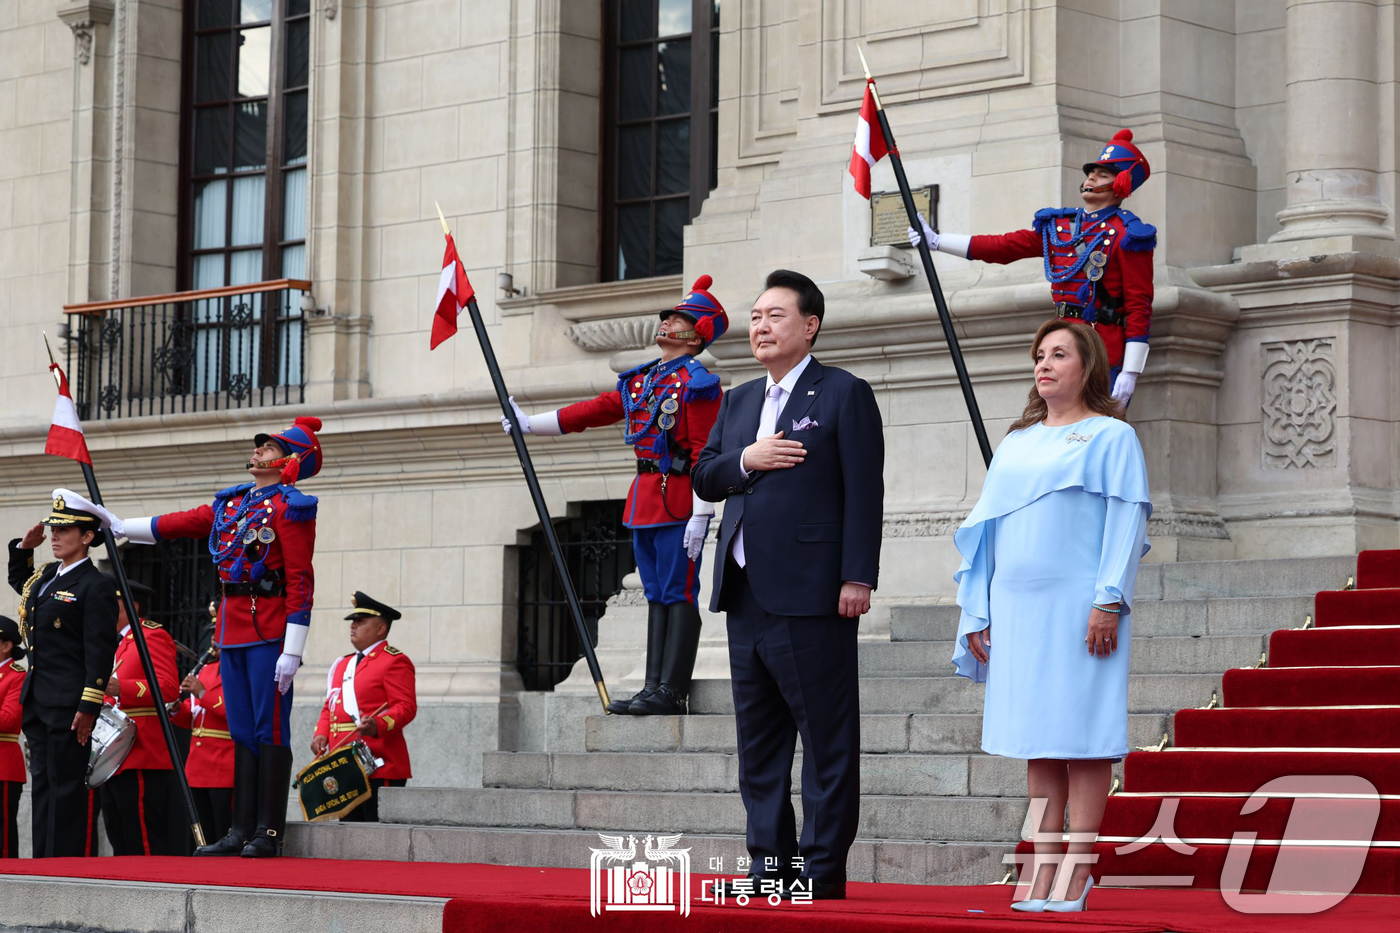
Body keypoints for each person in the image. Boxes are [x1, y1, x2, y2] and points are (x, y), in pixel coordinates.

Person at [692, 269, 885, 901]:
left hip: (814, 592)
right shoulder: (741, 399)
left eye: (775, 315)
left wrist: (857, 575)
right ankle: (769, 871)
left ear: (810, 325)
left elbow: (864, 491)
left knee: (827, 741)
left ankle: (822, 870)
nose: (761, 326)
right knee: (760, 745)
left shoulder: (842, 394)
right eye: (755, 317)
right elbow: (705, 476)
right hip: (745, 593)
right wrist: (748, 459)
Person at [951, 320, 1151, 913]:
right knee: (1040, 743)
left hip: (1080, 606)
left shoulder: (1112, 437)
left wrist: (1108, 598)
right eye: (1039, 355)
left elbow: (1127, 520)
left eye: (1058, 354)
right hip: (1018, 607)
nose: (1044, 364)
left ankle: (1079, 867)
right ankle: (1040, 863)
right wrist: (979, 610)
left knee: (1083, 739)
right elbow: (988, 531)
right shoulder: (1016, 441)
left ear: (1086, 366)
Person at [504, 277, 727, 715]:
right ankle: (652, 686)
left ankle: (673, 689)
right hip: (645, 497)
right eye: (669, 317)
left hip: (680, 496)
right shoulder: (644, 381)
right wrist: (531, 423)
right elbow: (595, 410)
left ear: (696, 333)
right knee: (656, 594)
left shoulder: (698, 383)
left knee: (678, 592)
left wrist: (703, 513)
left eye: (678, 319)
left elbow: (705, 453)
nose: (666, 323)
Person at [111, 417, 322, 857]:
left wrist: (293, 649)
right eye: (259, 446)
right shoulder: (233, 505)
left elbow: (301, 579)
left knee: (269, 730)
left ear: (290, 461)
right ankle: (239, 830)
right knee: (242, 730)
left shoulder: (291, 507)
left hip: (268, 629)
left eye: (269, 447)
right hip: (233, 627)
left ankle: (268, 831)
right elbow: (181, 522)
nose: (258, 451)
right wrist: (119, 525)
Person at [909, 128, 1156, 407]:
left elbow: (1139, 306)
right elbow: (1005, 247)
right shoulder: (1059, 226)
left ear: (1121, 183)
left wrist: (1130, 371)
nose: (1092, 177)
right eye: (1092, 171)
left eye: (1103, 174)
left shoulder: (1130, 235)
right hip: (1059, 346)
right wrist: (939, 241)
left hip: (1101, 352)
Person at [6, 489, 120, 858]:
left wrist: (88, 704)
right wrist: (24, 549)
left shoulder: (95, 584)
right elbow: (23, 589)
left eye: (64, 529)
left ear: (87, 536)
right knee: (43, 785)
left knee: (67, 788)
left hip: (71, 703)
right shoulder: (49, 575)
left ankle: (63, 866)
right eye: (53, 528)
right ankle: (42, 863)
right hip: (38, 700)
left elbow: (100, 649)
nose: (54, 536)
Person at [310, 592, 417, 822]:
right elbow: (330, 705)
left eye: (361, 621)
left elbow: (406, 706)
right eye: (353, 621)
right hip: (343, 761)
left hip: (378, 761)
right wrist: (321, 733)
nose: (353, 626)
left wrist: (378, 724)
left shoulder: (394, 660)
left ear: (380, 629)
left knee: (374, 836)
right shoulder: (342, 664)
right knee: (349, 835)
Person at [99, 581, 179, 856]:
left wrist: (122, 688)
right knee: (118, 835)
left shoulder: (150, 635)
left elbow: (168, 687)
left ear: (131, 606)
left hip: (142, 749)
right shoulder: (116, 642)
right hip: (112, 752)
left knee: (142, 838)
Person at [169, 624, 234, 847]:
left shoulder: (239, 671)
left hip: (223, 763)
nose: (214, 639)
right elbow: (195, 714)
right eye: (214, 634)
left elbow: (233, 713)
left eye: (221, 633)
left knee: (221, 828)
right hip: (197, 765)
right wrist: (177, 708)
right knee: (200, 834)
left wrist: (202, 693)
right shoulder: (205, 670)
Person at [0, 615, 27, 858]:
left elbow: (9, 720)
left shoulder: (16, 675)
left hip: (3, 765)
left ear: (6, 645)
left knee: (3, 839)